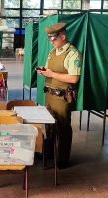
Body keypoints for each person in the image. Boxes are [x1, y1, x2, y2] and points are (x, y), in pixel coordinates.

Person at [37, 22, 82, 169]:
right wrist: (44, 71)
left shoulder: (72, 53)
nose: (51, 42)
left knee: (62, 127)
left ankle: (62, 159)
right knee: (49, 126)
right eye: (50, 39)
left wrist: (51, 74)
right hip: (50, 94)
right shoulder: (52, 52)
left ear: (63, 36)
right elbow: (51, 71)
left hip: (62, 97)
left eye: (54, 39)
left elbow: (74, 78)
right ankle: (49, 153)